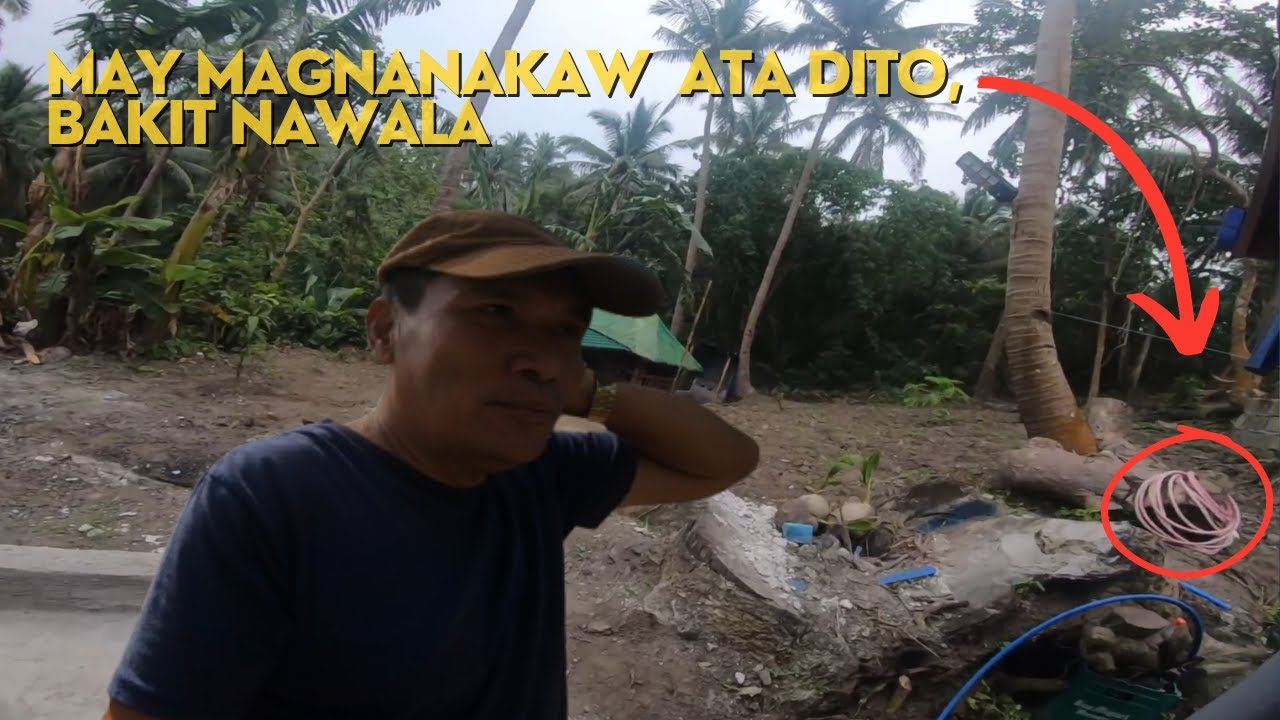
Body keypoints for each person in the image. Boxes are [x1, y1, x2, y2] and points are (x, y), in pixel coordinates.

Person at [103, 210, 760, 720]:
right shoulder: (274, 495)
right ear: (385, 330)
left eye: (564, 330)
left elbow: (725, 459)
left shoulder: (541, 476)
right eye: (496, 313)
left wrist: (585, 392)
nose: (540, 357)